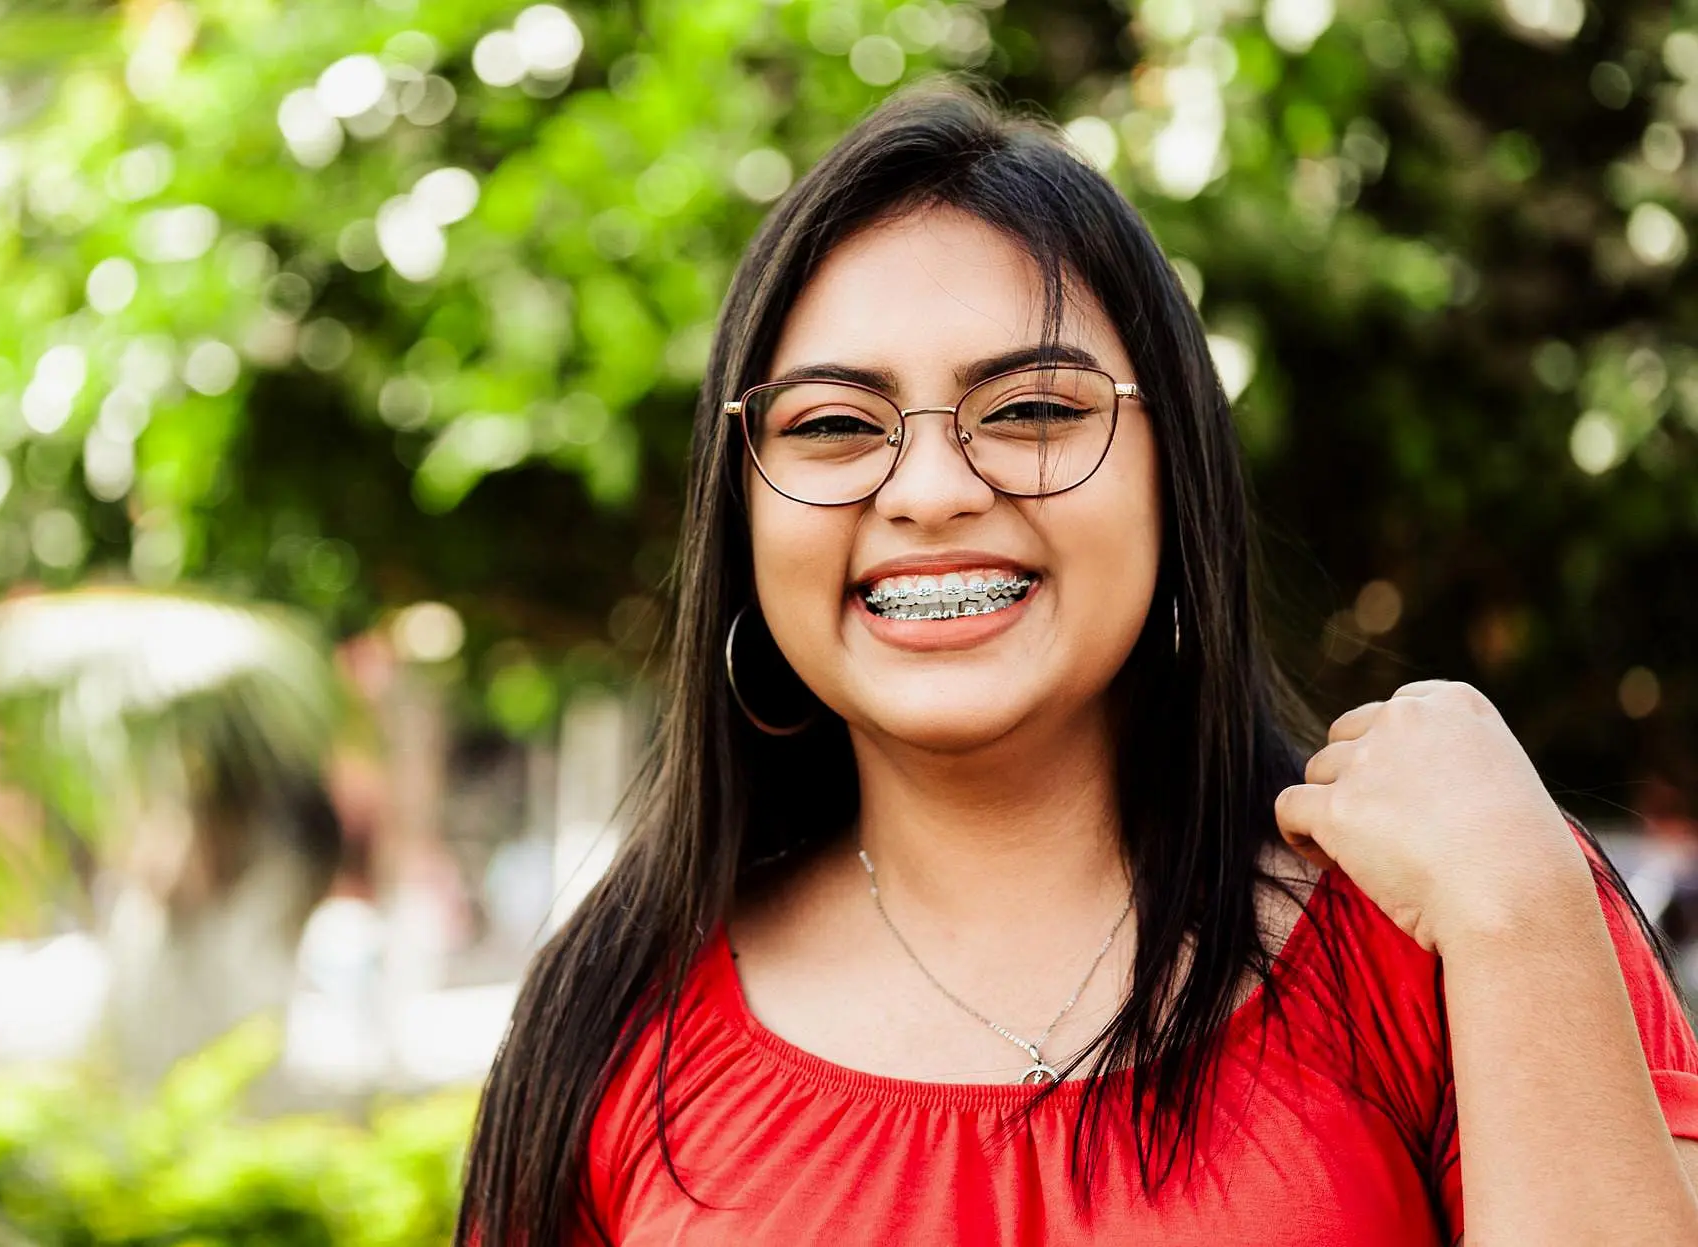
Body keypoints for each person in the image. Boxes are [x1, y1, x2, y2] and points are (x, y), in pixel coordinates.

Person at [458, 82, 1698, 1245]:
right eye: (833, 424)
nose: (931, 490)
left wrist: (1522, 912)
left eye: (1035, 409)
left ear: (1175, 471)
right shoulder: (621, 1022)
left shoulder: (1446, 915)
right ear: (739, 511)